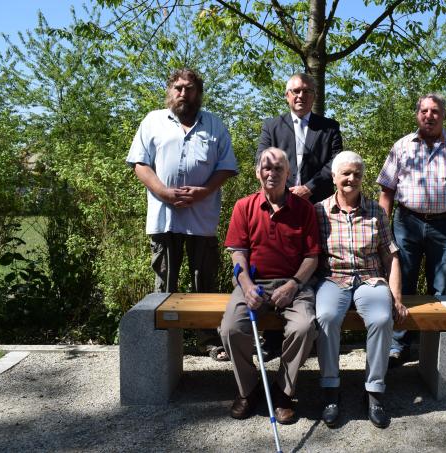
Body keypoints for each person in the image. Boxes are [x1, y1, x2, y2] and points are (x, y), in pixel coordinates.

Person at [126, 68, 237, 362]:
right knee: (165, 282)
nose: (183, 93)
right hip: (164, 217)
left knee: (205, 283)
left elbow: (226, 166)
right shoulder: (153, 121)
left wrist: (203, 191)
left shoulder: (214, 125)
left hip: (202, 218)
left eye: (189, 88)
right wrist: (162, 191)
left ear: (198, 93)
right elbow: (139, 163)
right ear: (169, 91)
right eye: (177, 88)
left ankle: (209, 342)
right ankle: (161, 345)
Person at [376, 93, 446, 367]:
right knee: (402, 285)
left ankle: (435, 351)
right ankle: (398, 346)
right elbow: (386, 192)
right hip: (406, 222)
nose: (429, 115)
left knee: (441, 289)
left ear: (444, 115)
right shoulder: (402, 147)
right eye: (424, 110)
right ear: (417, 115)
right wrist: (382, 230)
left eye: (435, 111)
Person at [220, 147, 320, 424]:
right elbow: (237, 253)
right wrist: (248, 286)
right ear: (257, 172)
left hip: (295, 285)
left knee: (304, 327)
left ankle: (283, 392)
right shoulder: (244, 206)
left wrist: (293, 285)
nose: (272, 173)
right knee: (230, 329)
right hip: (253, 282)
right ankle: (250, 389)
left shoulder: (304, 209)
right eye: (267, 167)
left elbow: (312, 256)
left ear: (288, 173)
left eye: (278, 168)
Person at [313, 151, 409, 429]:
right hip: (334, 279)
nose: (351, 179)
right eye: (345, 173)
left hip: (370, 279)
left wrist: (397, 298)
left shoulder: (376, 211)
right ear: (334, 177)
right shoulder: (319, 211)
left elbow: (391, 256)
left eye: (357, 174)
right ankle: (331, 390)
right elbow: (309, 254)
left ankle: (375, 391)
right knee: (327, 317)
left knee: (381, 319)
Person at [256, 72, 344, 358]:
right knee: (278, 264)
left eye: (306, 91)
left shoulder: (329, 127)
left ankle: (313, 336)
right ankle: (272, 338)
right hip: (280, 206)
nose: (300, 96)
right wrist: (282, 189)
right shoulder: (272, 126)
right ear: (286, 95)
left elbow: (336, 163)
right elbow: (262, 160)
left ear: (314, 96)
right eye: (295, 91)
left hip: (317, 205)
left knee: (315, 264)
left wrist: (308, 187)